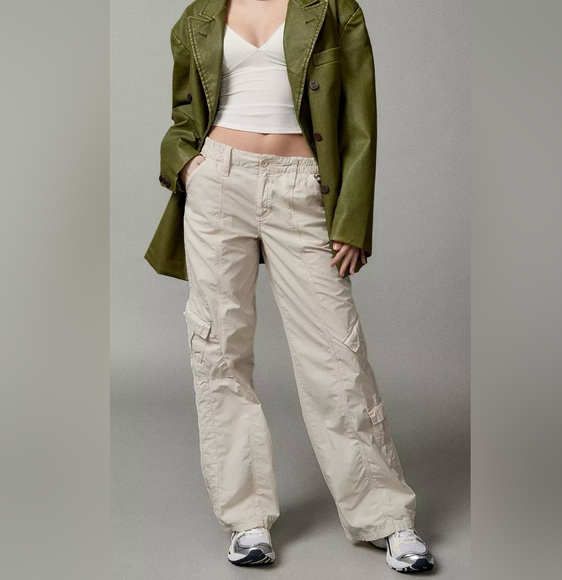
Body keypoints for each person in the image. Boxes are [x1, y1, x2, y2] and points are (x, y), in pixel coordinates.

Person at [149, 0, 435, 572]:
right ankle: (247, 520)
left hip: (302, 187)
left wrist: (351, 220)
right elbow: (185, 112)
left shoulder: (334, 10)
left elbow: (360, 119)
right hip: (218, 183)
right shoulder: (198, 17)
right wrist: (187, 165)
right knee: (219, 350)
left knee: (336, 355)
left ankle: (384, 517)